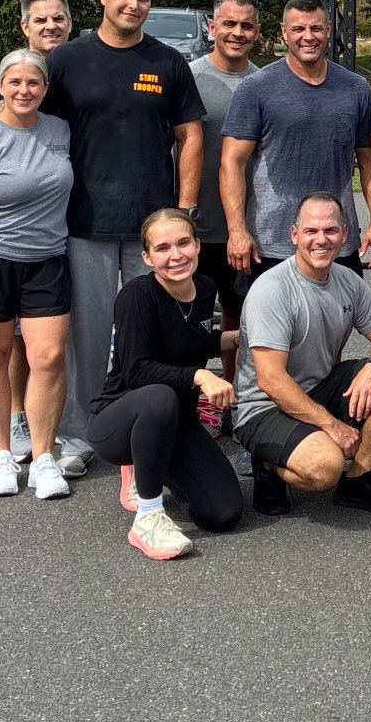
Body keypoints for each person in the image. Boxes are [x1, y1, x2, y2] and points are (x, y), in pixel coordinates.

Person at [45, 0, 204, 476]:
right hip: (83, 222)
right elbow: (26, 119)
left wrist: (183, 211)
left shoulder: (168, 61)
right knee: (87, 336)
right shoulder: (66, 61)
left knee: (152, 334)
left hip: (151, 228)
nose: (134, 5)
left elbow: (190, 137)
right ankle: (80, 435)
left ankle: (154, 425)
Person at [232, 193, 371, 518]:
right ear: (295, 235)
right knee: (326, 467)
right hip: (263, 407)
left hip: (320, 387)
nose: (321, 240)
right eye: (311, 231)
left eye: (329, 231)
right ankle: (268, 463)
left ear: (343, 234)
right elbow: (270, 380)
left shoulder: (347, 281)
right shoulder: (273, 290)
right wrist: (333, 427)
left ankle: (359, 479)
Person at [88, 209, 243, 559]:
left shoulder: (204, 288)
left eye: (184, 243)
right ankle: (148, 515)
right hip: (120, 421)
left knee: (222, 513)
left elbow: (194, 339)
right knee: (159, 397)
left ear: (198, 244)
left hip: (176, 421)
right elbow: (136, 371)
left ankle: (152, 464)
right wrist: (199, 375)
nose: (176, 255)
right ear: (147, 257)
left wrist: (242, 339)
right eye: (163, 248)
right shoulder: (136, 296)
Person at [220, 0, 371, 283]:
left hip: (336, 240)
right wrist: (237, 231)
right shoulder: (255, 89)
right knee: (271, 328)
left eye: (316, 29)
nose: (308, 37)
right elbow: (232, 163)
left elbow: (370, 163)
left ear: (329, 30)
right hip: (272, 242)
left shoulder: (355, 89)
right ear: (284, 32)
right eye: (298, 29)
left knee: (338, 324)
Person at [0, 0, 74, 466]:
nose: (23, 90)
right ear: (0, 85)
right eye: (14, 83)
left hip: (48, 253)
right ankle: (4, 445)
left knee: (48, 354)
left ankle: (45, 453)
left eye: (33, 84)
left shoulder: (61, 125)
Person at [189, 0, 261, 378]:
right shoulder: (189, 78)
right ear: (211, 27)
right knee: (191, 313)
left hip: (245, 226)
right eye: (229, 24)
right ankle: (187, 395)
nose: (237, 32)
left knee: (239, 312)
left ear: (258, 32)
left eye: (246, 25)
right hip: (197, 223)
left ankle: (230, 400)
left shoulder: (268, 82)